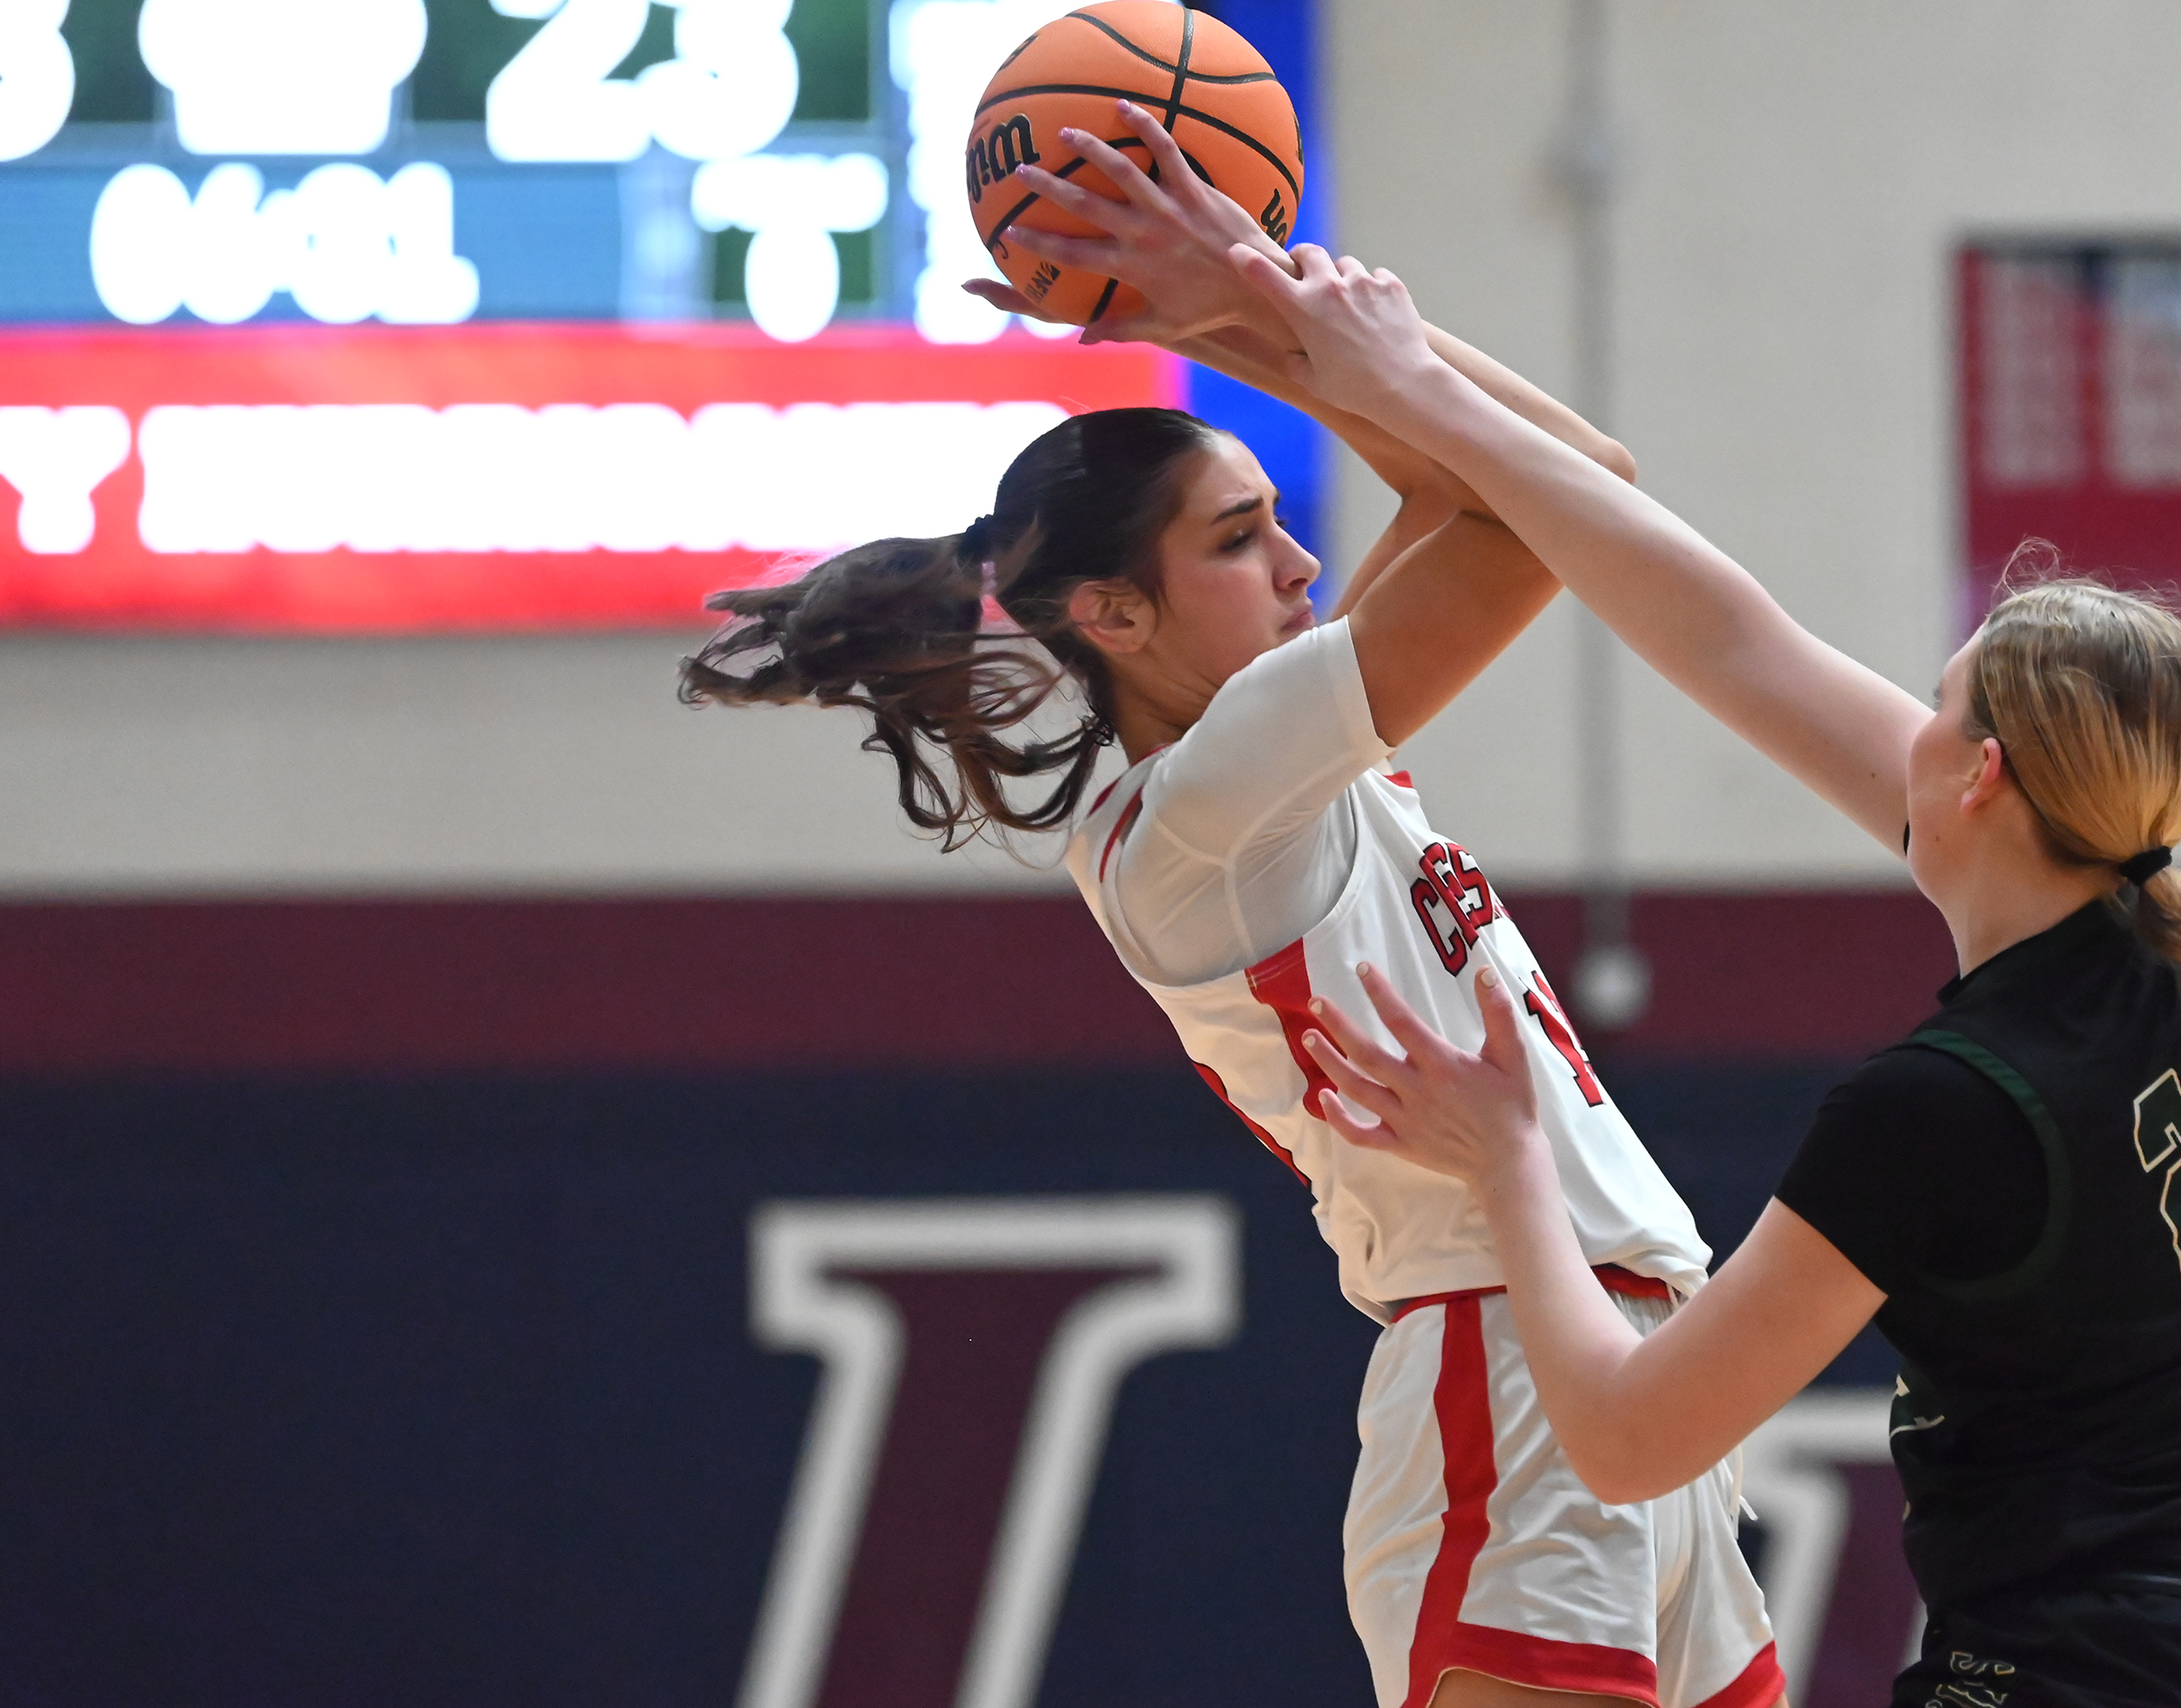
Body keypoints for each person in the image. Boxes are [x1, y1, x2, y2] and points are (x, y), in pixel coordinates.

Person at [680, 105, 1786, 1708]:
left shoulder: (1269, 750)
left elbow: (1576, 484)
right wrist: (1249, 299)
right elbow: (1539, 519)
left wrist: (1238, 312)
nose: (1299, 564)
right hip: (1507, 1363)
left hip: (1618, 1369)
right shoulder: (1202, 814)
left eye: (1283, 518)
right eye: (1241, 538)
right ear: (1116, 614)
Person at [1232, 245, 2181, 1707]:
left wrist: (1511, 1162)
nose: (1903, 719)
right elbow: (1726, 633)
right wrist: (1354, 356)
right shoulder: (2150, 951)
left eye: (1937, 702)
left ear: (1979, 779)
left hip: (2094, 1675)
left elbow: (1634, 1438)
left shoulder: (1945, 1107)